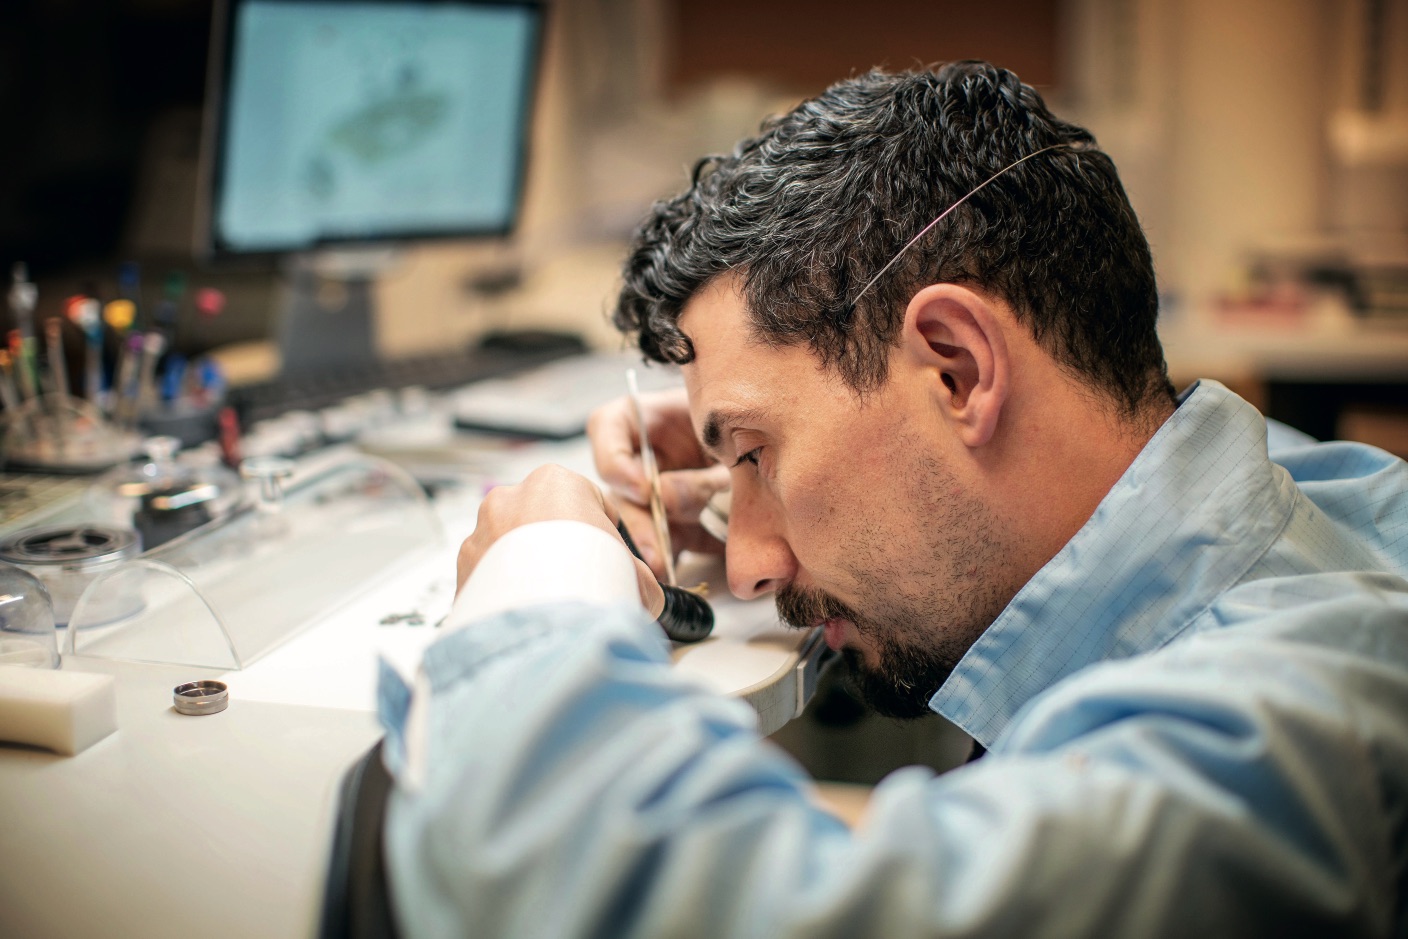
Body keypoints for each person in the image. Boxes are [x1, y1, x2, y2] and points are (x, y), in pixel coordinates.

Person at [379, 62, 1408, 936]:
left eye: (754, 450)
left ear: (956, 368)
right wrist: (745, 475)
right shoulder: (1312, 501)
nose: (749, 567)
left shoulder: (1290, 739)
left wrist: (543, 574)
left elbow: (592, 881)